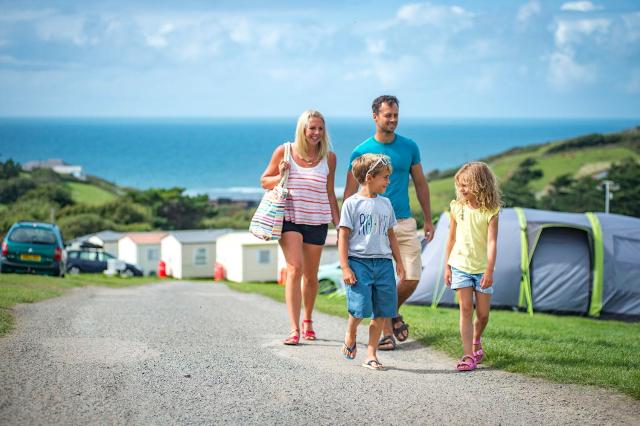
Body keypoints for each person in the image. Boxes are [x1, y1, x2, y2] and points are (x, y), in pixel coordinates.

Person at [343, 95, 434, 351]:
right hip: (371, 227)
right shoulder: (360, 151)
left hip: (403, 222)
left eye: (396, 115)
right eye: (388, 115)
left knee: (412, 277)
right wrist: (348, 229)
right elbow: (350, 193)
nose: (393, 120)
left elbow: (420, 184)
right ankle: (385, 332)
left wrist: (427, 219)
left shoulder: (409, 147)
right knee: (377, 281)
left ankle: (391, 313)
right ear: (375, 117)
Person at [261, 110, 340, 345]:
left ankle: (308, 320)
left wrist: (339, 224)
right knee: (294, 268)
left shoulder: (329, 157)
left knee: (311, 276)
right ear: (302, 130)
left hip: (317, 220)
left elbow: (329, 193)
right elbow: (264, 180)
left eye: (320, 128)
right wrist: (281, 174)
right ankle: (294, 329)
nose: (316, 133)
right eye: (312, 128)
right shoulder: (284, 151)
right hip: (290, 219)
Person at [338, 154, 405, 370]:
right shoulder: (351, 204)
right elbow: (343, 236)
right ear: (369, 177)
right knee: (360, 308)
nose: (388, 182)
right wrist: (346, 267)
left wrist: (399, 262)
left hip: (384, 264)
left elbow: (391, 235)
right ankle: (351, 332)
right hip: (359, 263)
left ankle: (371, 354)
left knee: (383, 311)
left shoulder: (386, 203)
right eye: (385, 177)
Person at [443, 162, 501, 371]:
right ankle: (468, 355)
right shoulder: (456, 207)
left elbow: (492, 242)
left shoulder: (491, 211)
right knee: (466, 309)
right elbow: (450, 239)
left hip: (482, 269)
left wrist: (489, 270)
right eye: (459, 186)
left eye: (466, 185)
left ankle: (477, 339)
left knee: (483, 314)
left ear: (480, 184)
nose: (461, 190)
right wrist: (447, 267)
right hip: (459, 266)